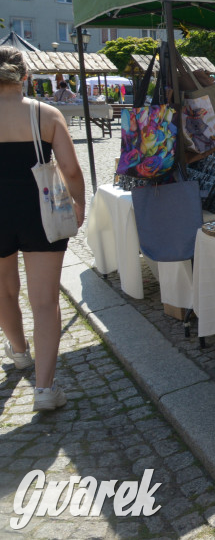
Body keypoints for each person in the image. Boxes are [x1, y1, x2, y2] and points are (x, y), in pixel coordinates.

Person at [0, 47, 86, 411]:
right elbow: (70, 169)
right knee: (45, 301)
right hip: (41, 212)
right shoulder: (45, 113)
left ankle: (19, 353)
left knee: (3, 289)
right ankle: (45, 390)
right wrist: (78, 206)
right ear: (26, 77)